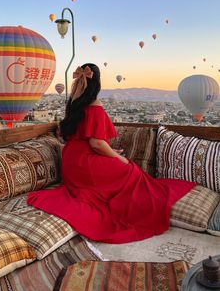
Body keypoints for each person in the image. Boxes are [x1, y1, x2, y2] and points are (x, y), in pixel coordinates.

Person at [27, 63, 196, 243]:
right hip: (86, 163)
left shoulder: (74, 104)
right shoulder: (95, 106)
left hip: (71, 164)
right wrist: (118, 157)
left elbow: (83, 140)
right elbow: (97, 143)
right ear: (97, 83)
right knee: (131, 169)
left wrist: (110, 152)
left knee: (121, 169)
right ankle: (138, 209)